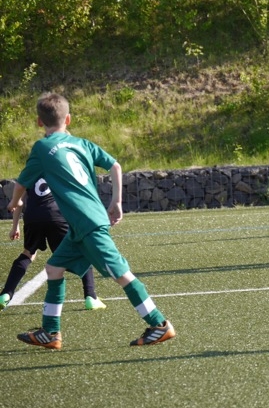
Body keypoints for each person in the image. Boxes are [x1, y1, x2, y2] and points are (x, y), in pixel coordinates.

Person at [7, 92, 175, 349]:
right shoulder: (82, 143)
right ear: (68, 119)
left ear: (39, 122)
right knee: (53, 269)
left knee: (122, 274)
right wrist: (116, 202)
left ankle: (159, 324)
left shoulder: (42, 147)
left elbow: (21, 183)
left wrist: (14, 202)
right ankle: (50, 332)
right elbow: (115, 166)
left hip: (87, 224)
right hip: (81, 225)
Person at [0, 180, 106, 312]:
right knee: (81, 252)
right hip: (56, 215)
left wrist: (15, 226)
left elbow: (19, 199)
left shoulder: (30, 170)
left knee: (28, 253)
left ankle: (6, 293)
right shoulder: (59, 169)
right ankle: (91, 296)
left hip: (32, 217)